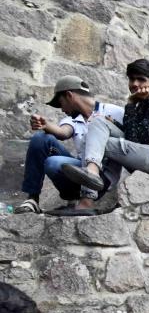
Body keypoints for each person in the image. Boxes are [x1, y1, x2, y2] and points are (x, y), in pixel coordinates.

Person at [61, 59, 149, 198]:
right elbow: (132, 134)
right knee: (98, 122)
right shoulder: (142, 103)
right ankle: (92, 173)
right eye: (132, 79)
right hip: (143, 152)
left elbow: (135, 139)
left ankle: (88, 197)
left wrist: (130, 104)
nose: (135, 84)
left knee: (99, 141)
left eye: (141, 80)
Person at [16, 76, 124, 215]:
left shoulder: (115, 112)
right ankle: (32, 199)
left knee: (53, 163)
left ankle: (82, 198)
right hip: (81, 171)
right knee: (40, 138)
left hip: (102, 178)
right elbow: (63, 132)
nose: (61, 109)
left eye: (61, 103)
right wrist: (46, 125)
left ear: (69, 95)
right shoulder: (73, 119)